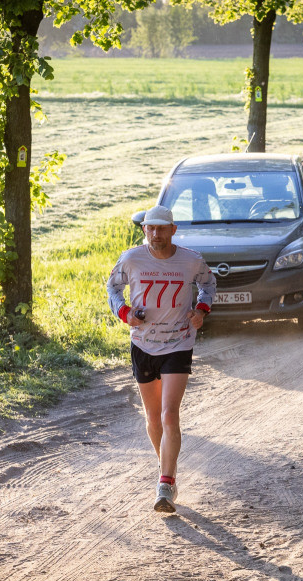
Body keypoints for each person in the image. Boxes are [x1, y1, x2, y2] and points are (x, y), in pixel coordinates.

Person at [106, 204, 217, 513]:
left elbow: (208, 284)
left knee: (169, 415)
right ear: (144, 230)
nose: (156, 233)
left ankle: (165, 485)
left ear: (173, 230)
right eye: (150, 228)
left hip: (178, 342)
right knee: (153, 418)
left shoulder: (191, 261)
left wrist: (201, 309)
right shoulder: (131, 259)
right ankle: (166, 470)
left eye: (162, 228)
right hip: (143, 344)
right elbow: (113, 288)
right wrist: (126, 313)